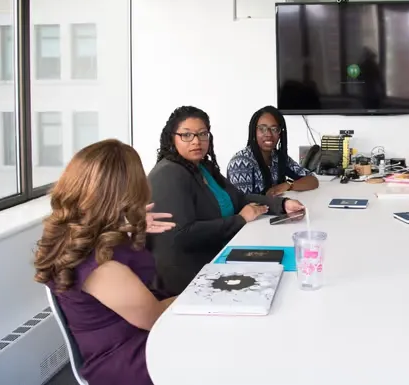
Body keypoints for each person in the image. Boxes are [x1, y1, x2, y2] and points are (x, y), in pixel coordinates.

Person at [33, 139, 176, 385]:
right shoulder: (102, 268)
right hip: (129, 358)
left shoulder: (75, 236)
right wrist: (198, 295)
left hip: (130, 336)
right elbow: (154, 318)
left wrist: (127, 225)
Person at [148, 106, 305, 296]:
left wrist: (282, 205)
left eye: (202, 134)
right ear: (172, 138)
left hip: (216, 255)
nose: (196, 141)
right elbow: (182, 235)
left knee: (286, 274)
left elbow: (238, 198)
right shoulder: (169, 174)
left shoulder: (203, 166)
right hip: (189, 276)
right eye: (187, 135)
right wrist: (239, 220)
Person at [227, 105, 318, 196]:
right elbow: (243, 202)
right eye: (262, 129)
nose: (269, 134)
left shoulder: (278, 157)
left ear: (280, 133)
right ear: (254, 131)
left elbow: (312, 180)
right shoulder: (241, 163)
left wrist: (288, 185)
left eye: (274, 129)